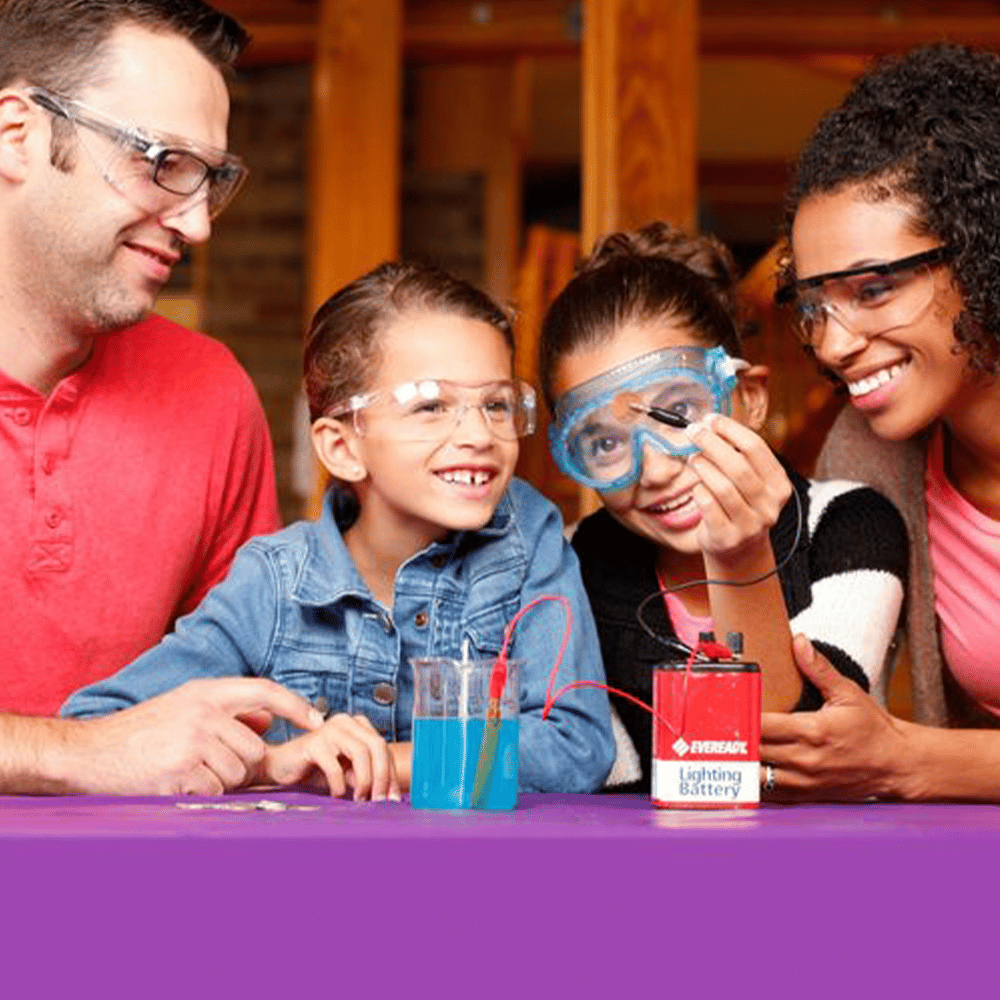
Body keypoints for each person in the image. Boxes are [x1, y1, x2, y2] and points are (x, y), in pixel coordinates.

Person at [64, 260, 617, 800]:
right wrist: (273, 763)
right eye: (431, 405)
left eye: (497, 404)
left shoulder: (528, 541)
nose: (479, 432)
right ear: (342, 447)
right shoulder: (274, 581)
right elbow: (100, 725)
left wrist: (379, 761)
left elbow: (577, 747)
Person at [0, 0, 319, 795]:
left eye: (211, 178)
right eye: (163, 160)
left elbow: (242, 696)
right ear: (18, 134)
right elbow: (120, 749)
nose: (199, 223)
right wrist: (80, 753)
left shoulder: (211, 393)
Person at [538, 221, 908, 792]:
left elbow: (796, 759)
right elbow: (589, 771)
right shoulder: (565, 562)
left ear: (750, 399)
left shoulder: (851, 523)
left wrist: (739, 555)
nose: (656, 470)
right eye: (606, 443)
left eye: (679, 414)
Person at [763, 41, 1000, 801]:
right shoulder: (869, 452)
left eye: (873, 290)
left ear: (982, 256)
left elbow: (893, 754)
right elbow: (812, 711)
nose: (833, 345)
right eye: (815, 306)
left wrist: (909, 759)